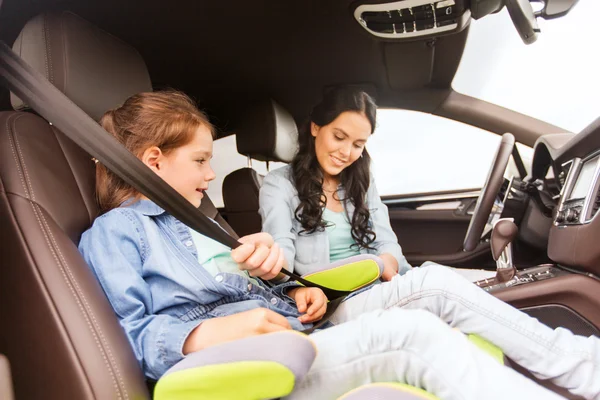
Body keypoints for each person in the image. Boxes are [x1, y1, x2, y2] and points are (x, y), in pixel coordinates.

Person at [79, 90, 598, 400]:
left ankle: (585, 366)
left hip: (295, 317)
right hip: (256, 358)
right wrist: (204, 333)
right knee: (414, 334)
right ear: (151, 161)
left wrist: (285, 284)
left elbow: (257, 288)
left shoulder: (199, 223)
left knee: (436, 282)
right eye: (198, 161)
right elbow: (128, 336)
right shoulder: (117, 233)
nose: (211, 173)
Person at [259, 87, 410, 281]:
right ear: (315, 127)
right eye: (339, 137)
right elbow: (282, 252)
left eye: (358, 145)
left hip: (382, 282)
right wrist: (270, 264)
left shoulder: (363, 179)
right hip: (336, 296)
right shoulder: (279, 184)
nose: (347, 153)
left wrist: (386, 265)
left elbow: (387, 241)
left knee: (441, 278)